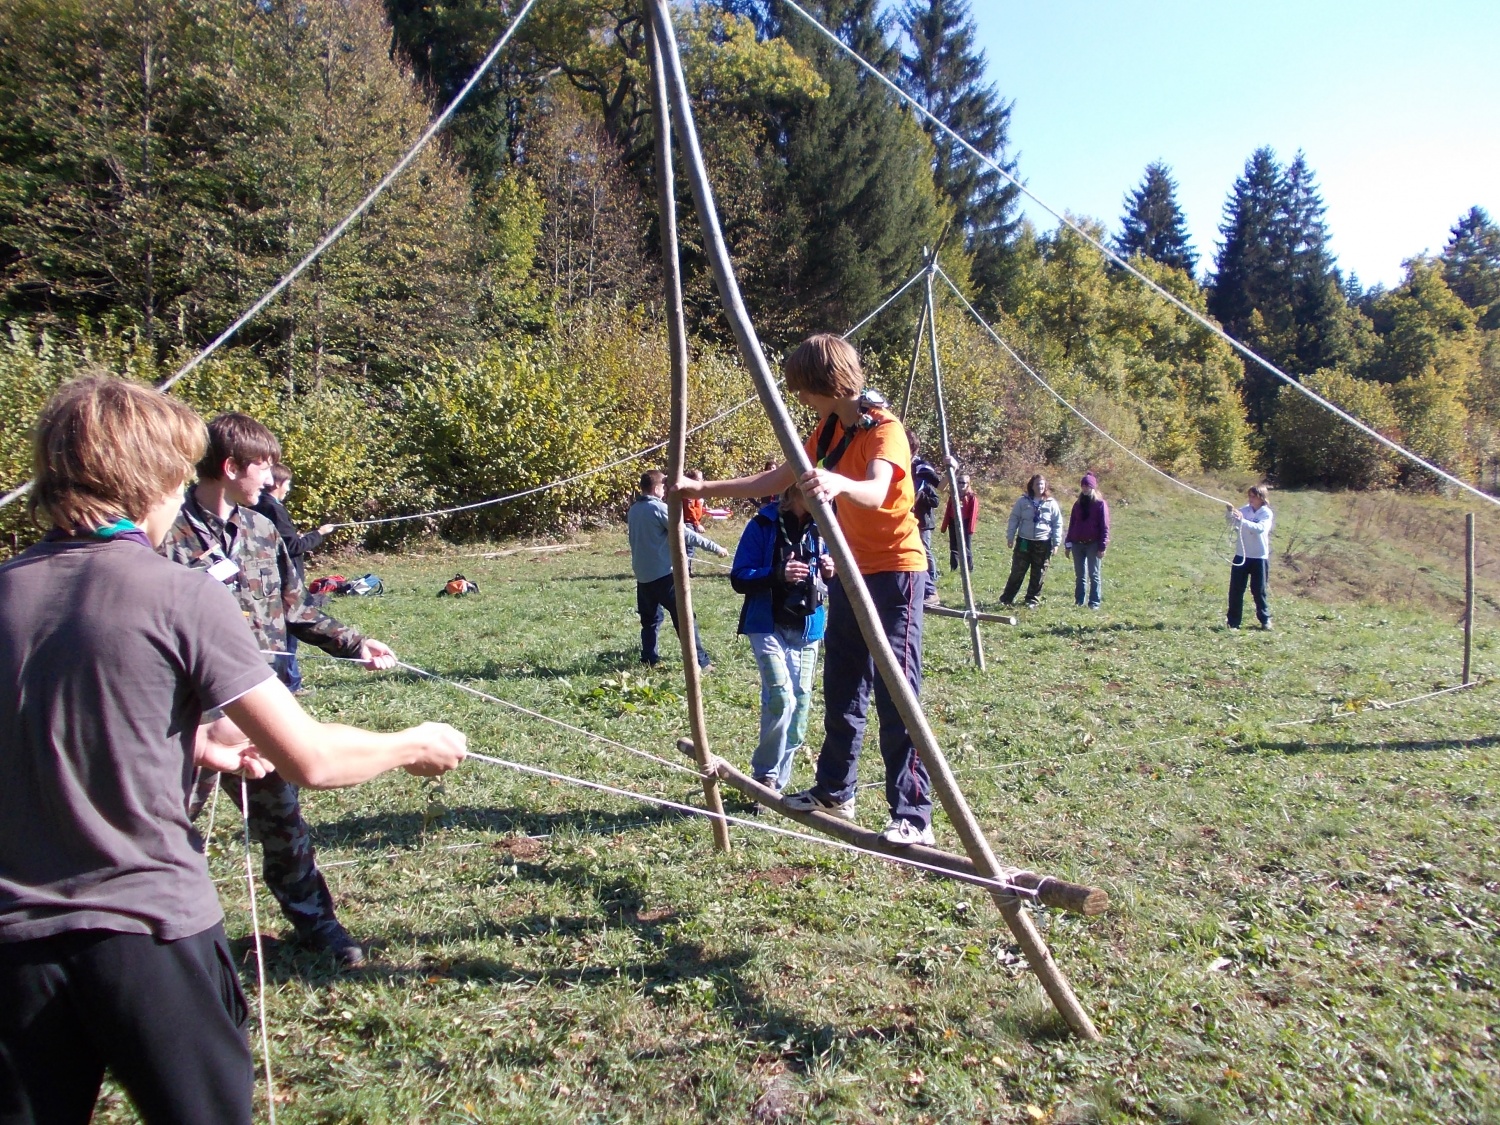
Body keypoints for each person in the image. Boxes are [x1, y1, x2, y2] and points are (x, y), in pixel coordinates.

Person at [0, 376, 465, 1125]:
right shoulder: (177, 591)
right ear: (148, 479)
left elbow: (67, 725)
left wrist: (205, 741)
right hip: (146, 935)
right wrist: (413, 742)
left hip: (14, 950)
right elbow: (309, 757)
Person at [676, 334, 934, 847]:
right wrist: (703, 489)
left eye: (804, 389)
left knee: (896, 692)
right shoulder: (830, 429)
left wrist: (839, 485)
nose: (800, 399)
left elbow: (878, 490)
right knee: (843, 685)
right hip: (850, 571)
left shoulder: (885, 431)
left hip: (894, 572)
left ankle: (912, 815)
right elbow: (776, 478)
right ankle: (836, 790)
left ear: (825, 383)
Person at [161, 413, 399, 969]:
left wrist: (355, 643)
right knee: (169, 829)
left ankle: (318, 926)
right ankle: (175, 944)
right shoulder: (163, 535)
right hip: (185, 717)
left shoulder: (263, 531)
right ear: (229, 467)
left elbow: (294, 608)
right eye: (262, 465)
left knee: (283, 823)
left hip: (258, 709)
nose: (269, 478)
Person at [730, 485, 833, 799]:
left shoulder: (826, 524)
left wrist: (833, 571)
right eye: (815, 493)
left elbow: (844, 576)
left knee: (799, 709)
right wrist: (778, 573)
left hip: (807, 628)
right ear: (795, 490)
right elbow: (739, 577)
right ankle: (766, 777)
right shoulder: (762, 524)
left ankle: (779, 784)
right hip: (767, 624)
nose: (824, 498)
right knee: (781, 699)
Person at [627, 470, 727, 669]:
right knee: (685, 618)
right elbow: (687, 534)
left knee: (650, 621)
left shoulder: (633, 510)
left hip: (643, 577)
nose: (665, 491)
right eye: (664, 486)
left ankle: (649, 660)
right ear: (656, 489)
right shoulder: (659, 508)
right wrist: (716, 548)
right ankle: (701, 663)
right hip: (664, 576)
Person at [254, 462, 335, 694]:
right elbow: (294, 546)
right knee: (291, 629)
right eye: (287, 484)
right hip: (284, 581)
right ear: (277, 483)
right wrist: (319, 534)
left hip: (267, 579)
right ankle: (290, 683)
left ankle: (284, 681)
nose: (288, 488)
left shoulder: (259, 505)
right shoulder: (273, 508)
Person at [1000, 473, 1063, 609]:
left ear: (1045, 486)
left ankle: (1032, 600)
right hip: (1024, 541)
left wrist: (1056, 543)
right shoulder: (1022, 501)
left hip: (1043, 542)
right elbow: (1014, 518)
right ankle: (1007, 598)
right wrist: (1010, 537)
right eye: (1037, 484)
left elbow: (1057, 523)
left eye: (1042, 484)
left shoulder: (1051, 503)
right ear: (1032, 486)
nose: (1040, 486)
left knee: (1039, 572)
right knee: (1017, 571)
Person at [1226, 483, 1274, 630]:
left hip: (1259, 557)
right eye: (1250, 496)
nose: (1251, 499)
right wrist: (1230, 514)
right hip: (1241, 555)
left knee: (1258, 590)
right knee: (1236, 590)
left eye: (1254, 496)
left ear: (1262, 497)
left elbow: (1260, 529)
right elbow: (1232, 522)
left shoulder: (1266, 513)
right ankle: (1233, 622)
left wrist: (1242, 520)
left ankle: (1265, 620)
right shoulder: (1244, 510)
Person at [1064, 472, 1110, 609]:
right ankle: (1079, 601)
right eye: (1083, 486)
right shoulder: (1077, 504)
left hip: (1093, 544)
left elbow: (1105, 526)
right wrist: (1068, 543)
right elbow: (1072, 524)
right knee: (1080, 575)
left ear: (1093, 488)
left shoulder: (1100, 504)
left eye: (1088, 486)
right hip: (1078, 544)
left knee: (1094, 574)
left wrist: (1102, 546)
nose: (1085, 489)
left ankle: (1094, 602)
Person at [907, 430, 943, 605]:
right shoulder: (892, 461)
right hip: (897, 514)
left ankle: (929, 591)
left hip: (913, 518)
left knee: (918, 551)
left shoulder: (920, 466)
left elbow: (941, 485)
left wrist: (953, 467)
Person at [941, 473, 979, 574]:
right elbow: (948, 510)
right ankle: (953, 568)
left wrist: (970, 529)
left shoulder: (972, 497)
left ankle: (969, 569)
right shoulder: (953, 496)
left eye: (964, 483)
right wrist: (945, 525)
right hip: (953, 522)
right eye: (960, 482)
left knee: (966, 547)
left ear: (968, 484)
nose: (962, 485)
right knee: (953, 547)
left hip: (965, 523)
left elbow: (973, 514)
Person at [683, 469, 709, 575]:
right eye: (698, 479)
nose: (701, 480)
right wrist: (697, 524)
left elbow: (696, 507)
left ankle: (687, 569)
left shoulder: (695, 493)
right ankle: (685, 571)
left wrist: (705, 510)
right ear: (691, 480)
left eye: (701, 478)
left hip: (693, 522)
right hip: (688, 523)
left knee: (690, 548)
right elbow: (689, 510)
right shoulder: (689, 493)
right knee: (689, 548)